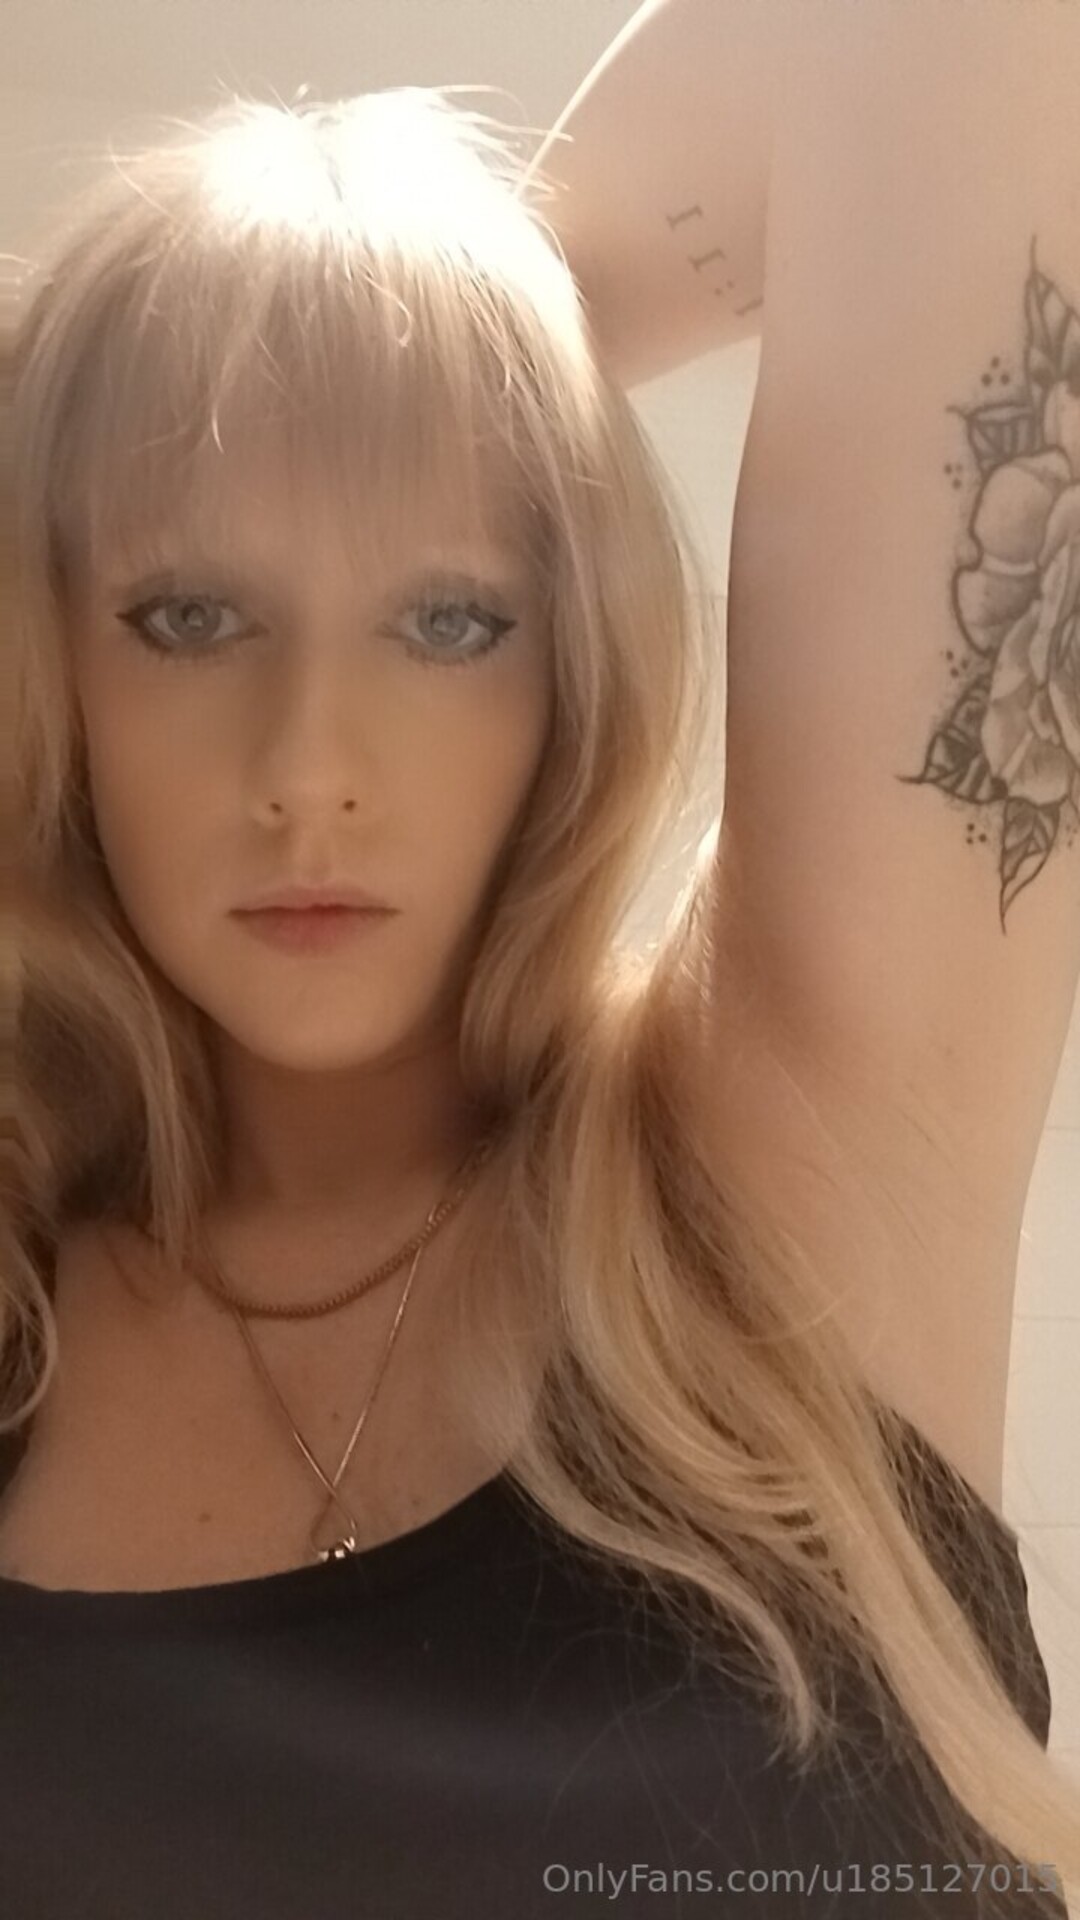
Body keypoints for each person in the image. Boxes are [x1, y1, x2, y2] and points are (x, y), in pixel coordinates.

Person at [1, 2, 1078, 1915]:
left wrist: (433, 318)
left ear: (574, 678)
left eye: (448, 620)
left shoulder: (777, 1190)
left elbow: (947, 32)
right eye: (189, 615)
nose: (311, 768)